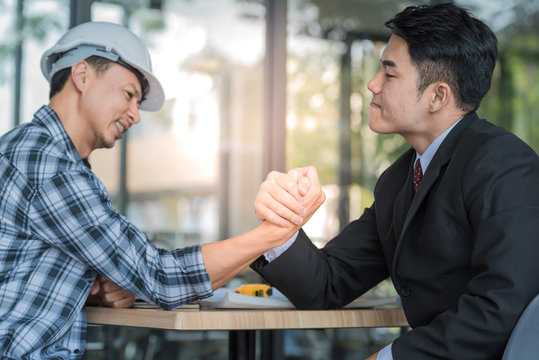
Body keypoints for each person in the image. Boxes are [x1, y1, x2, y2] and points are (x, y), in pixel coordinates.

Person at [0, 21, 324, 358]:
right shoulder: (48, 165)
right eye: (129, 94)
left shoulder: (36, 153)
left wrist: (97, 288)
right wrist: (275, 231)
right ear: (82, 76)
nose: (135, 115)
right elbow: (160, 276)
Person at [252, 3, 539, 360]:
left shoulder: (503, 163)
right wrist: (280, 223)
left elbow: (503, 308)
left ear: (438, 96)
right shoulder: (399, 180)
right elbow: (327, 284)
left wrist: (390, 357)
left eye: (389, 74)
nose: (373, 84)